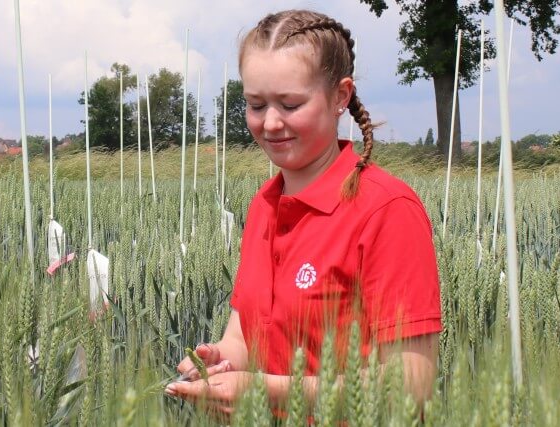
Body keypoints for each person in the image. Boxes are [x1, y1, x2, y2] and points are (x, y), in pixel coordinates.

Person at [165, 9, 442, 421]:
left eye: (291, 104)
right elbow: (244, 333)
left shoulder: (385, 210)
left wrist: (267, 390)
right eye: (256, 105)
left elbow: (413, 385)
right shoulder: (264, 205)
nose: (271, 123)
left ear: (340, 97)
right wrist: (220, 361)